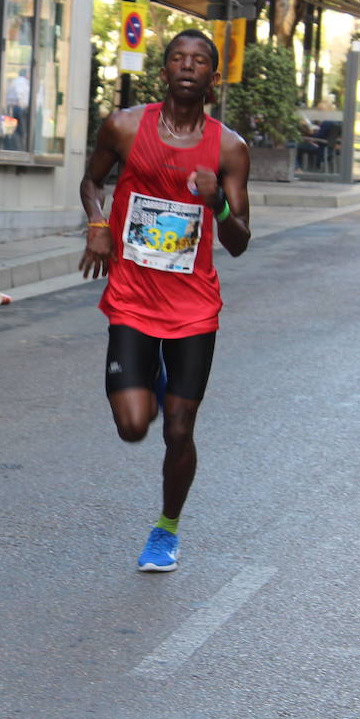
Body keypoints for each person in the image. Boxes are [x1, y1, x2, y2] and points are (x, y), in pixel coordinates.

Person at [78, 29, 251, 573]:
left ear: (212, 78)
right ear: (164, 70)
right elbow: (91, 180)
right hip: (132, 298)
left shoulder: (228, 148)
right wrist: (99, 225)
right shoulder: (125, 127)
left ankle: (166, 530)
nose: (187, 66)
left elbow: (241, 240)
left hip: (194, 308)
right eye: (178, 57)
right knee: (134, 426)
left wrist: (218, 201)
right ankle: (149, 379)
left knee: (179, 429)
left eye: (199, 60)